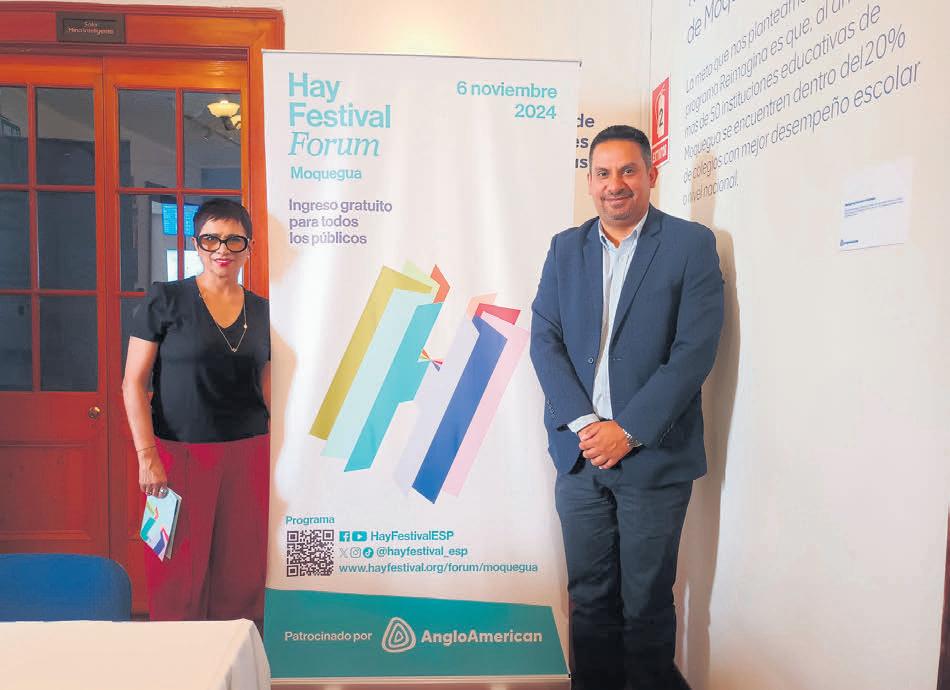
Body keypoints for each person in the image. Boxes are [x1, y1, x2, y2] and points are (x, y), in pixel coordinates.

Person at [530, 125, 723, 689]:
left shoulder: (689, 244)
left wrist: (628, 430)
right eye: (603, 173)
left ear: (650, 175)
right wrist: (587, 425)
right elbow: (544, 338)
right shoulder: (565, 249)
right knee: (588, 601)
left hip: (653, 457)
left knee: (646, 605)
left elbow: (694, 351)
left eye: (628, 170)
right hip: (580, 455)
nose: (615, 184)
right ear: (590, 182)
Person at [122, 198, 270, 625]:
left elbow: (267, 388)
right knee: (174, 577)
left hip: (249, 456)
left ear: (249, 247)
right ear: (196, 244)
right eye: (211, 239)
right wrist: (147, 457)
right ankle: (176, 662)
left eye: (234, 240)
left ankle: (236, 659)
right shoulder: (165, 299)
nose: (222, 249)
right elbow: (133, 383)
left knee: (240, 578)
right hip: (175, 456)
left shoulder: (264, 311)